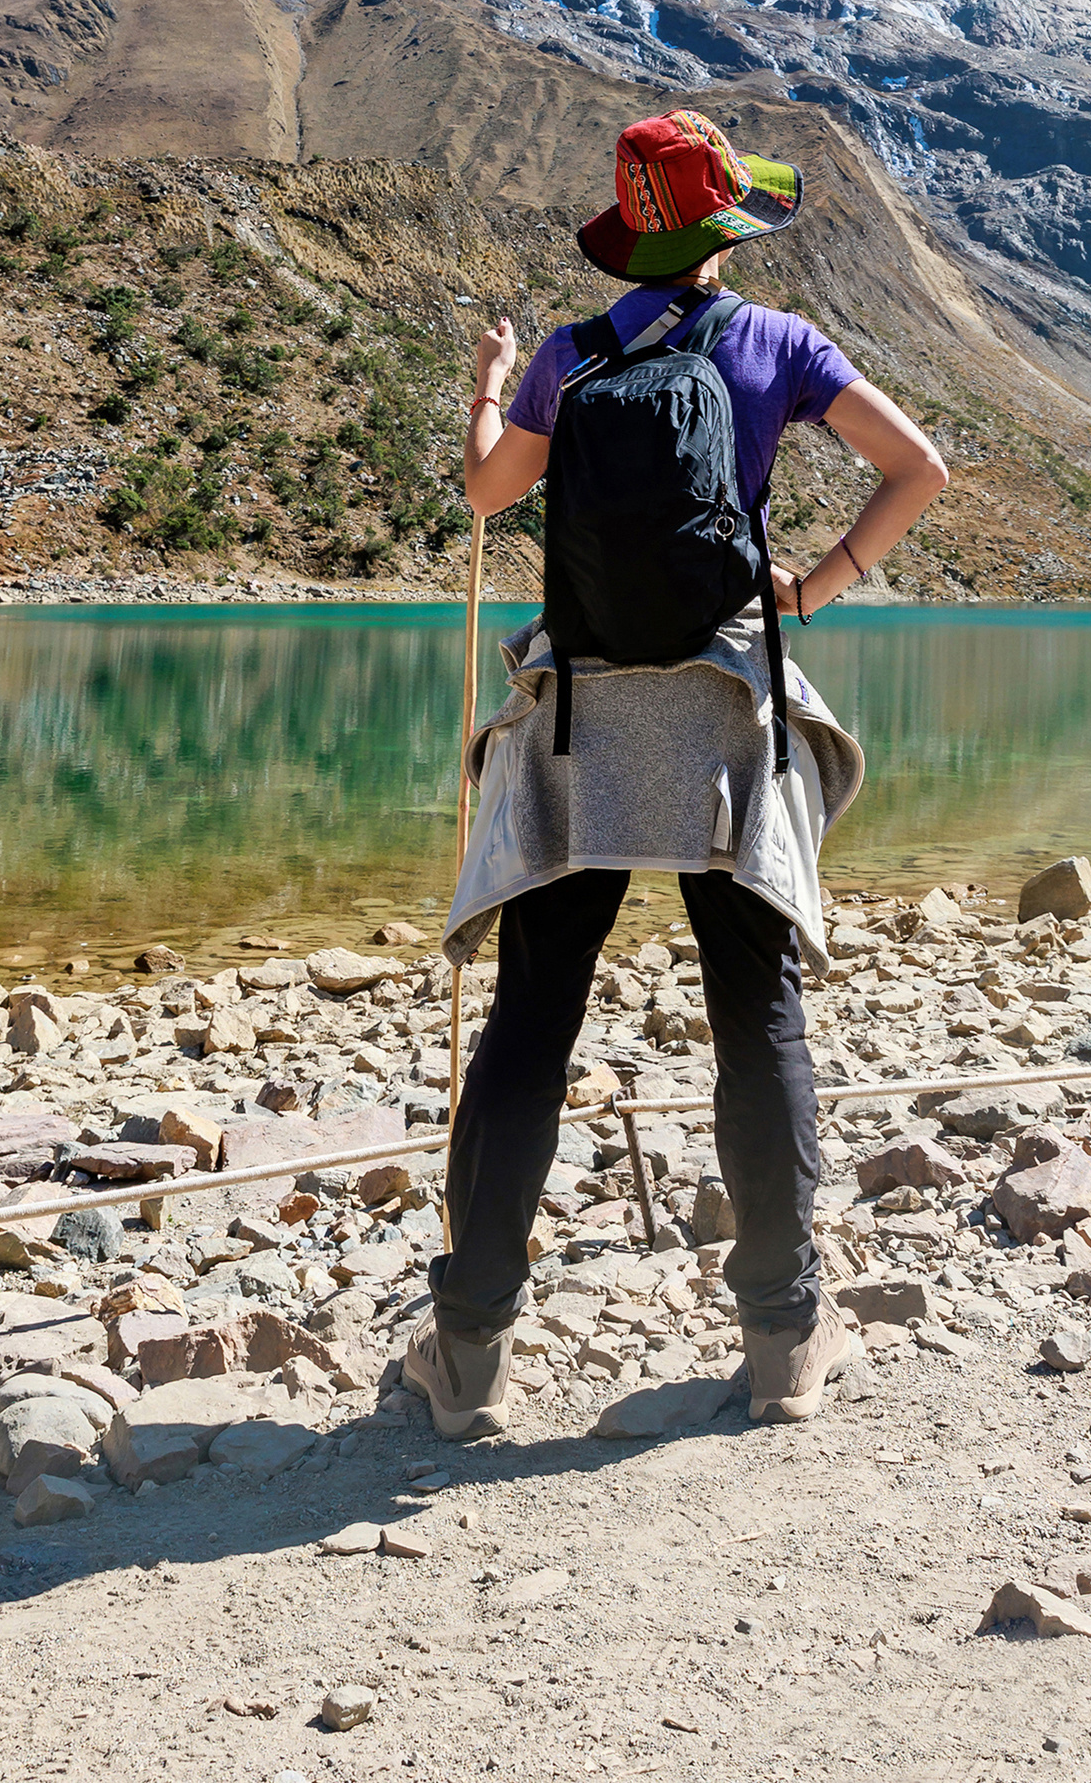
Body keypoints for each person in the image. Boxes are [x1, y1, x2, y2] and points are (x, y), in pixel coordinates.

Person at [406, 110, 950, 1440]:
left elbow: (485, 493)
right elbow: (919, 468)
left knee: (531, 1021)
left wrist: (487, 383)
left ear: (630, 237)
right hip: (725, 718)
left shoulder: (568, 357)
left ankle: (469, 1352)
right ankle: (784, 1341)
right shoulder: (777, 345)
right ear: (723, 232)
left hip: (583, 724)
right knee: (755, 1015)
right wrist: (816, 585)